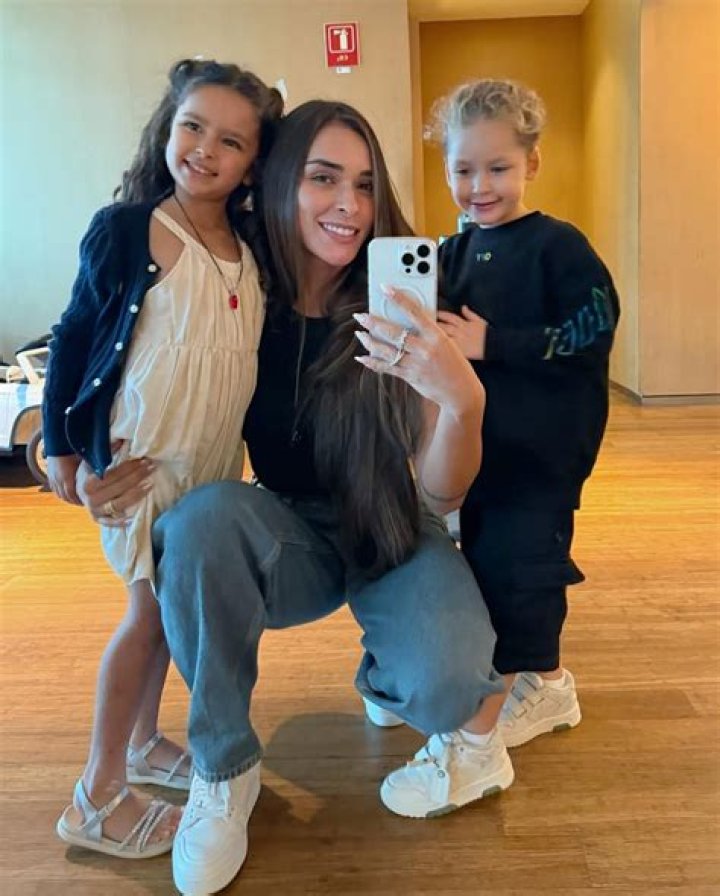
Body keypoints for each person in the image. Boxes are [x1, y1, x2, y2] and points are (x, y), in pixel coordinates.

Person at [76, 99, 515, 896]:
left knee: (449, 685)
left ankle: (388, 668)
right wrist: (69, 453)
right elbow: (123, 347)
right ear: (282, 182)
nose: (348, 205)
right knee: (198, 525)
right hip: (287, 531)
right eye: (323, 178)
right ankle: (224, 769)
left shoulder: (402, 299)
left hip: (395, 525)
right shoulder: (247, 291)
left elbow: (442, 489)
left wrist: (463, 402)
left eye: (365, 185)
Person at [42, 58, 283, 858]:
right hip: (143, 462)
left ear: (254, 160)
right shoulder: (129, 228)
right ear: (166, 129)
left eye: (231, 141)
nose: (205, 150)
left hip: (211, 467)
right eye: (192, 127)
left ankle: (145, 742)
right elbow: (75, 335)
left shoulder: (252, 248)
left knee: (173, 612)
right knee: (147, 619)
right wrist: (63, 445)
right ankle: (97, 792)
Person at [430, 78, 620, 750]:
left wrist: (496, 343)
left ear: (531, 163)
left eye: (498, 168)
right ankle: (526, 676)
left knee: (526, 570)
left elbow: (593, 328)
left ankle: (548, 684)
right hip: (480, 453)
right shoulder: (451, 253)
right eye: (463, 169)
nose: (479, 185)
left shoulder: (556, 246)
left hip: (543, 455)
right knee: (487, 566)